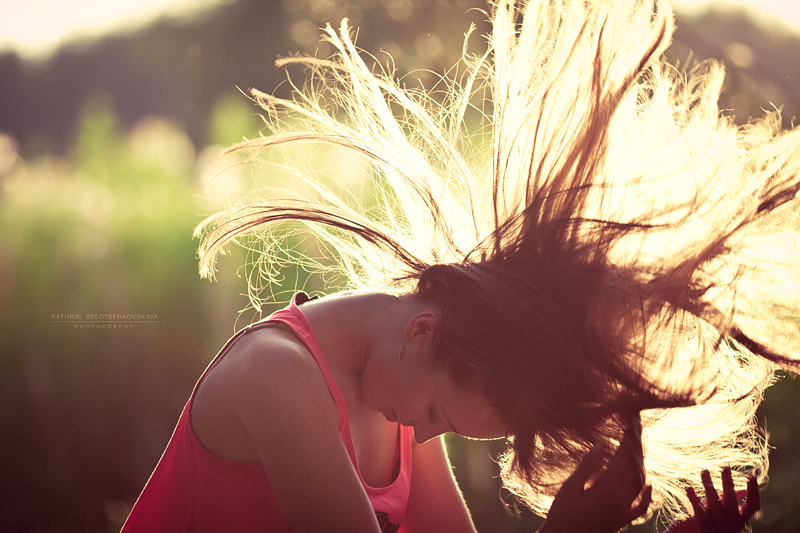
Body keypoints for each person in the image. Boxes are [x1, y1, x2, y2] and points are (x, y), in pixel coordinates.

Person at [123, 0, 799, 531]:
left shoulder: (402, 389)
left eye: (439, 423)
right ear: (423, 330)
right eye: (440, 413)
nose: (422, 432)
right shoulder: (278, 375)